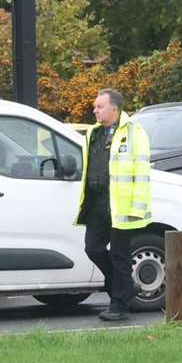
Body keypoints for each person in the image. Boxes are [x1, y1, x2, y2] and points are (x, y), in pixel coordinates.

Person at [76, 87, 152, 321]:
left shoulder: (135, 133)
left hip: (123, 206)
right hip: (98, 203)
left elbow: (141, 173)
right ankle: (126, 287)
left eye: (99, 106)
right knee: (93, 248)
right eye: (95, 106)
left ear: (114, 109)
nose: (94, 110)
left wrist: (136, 210)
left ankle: (119, 305)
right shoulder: (93, 133)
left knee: (120, 256)